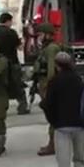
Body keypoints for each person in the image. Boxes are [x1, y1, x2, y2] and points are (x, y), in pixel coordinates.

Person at [41, 52, 84, 167]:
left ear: (57, 65)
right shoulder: (79, 79)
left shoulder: (55, 82)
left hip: (62, 127)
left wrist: (53, 121)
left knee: (64, 163)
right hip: (80, 125)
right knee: (79, 159)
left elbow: (48, 105)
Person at [0, 13, 29, 115]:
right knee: (17, 85)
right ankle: (22, 107)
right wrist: (22, 42)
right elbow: (19, 47)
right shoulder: (12, 33)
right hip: (12, 63)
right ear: (8, 21)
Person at [34, 23, 61, 156]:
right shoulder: (46, 48)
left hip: (48, 86)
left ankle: (53, 144)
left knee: (53, 116)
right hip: (44, 85)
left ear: (47, 35)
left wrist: (49, 89)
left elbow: (51, 71)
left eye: (40, 34)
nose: (39, 37)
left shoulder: (51, 49)